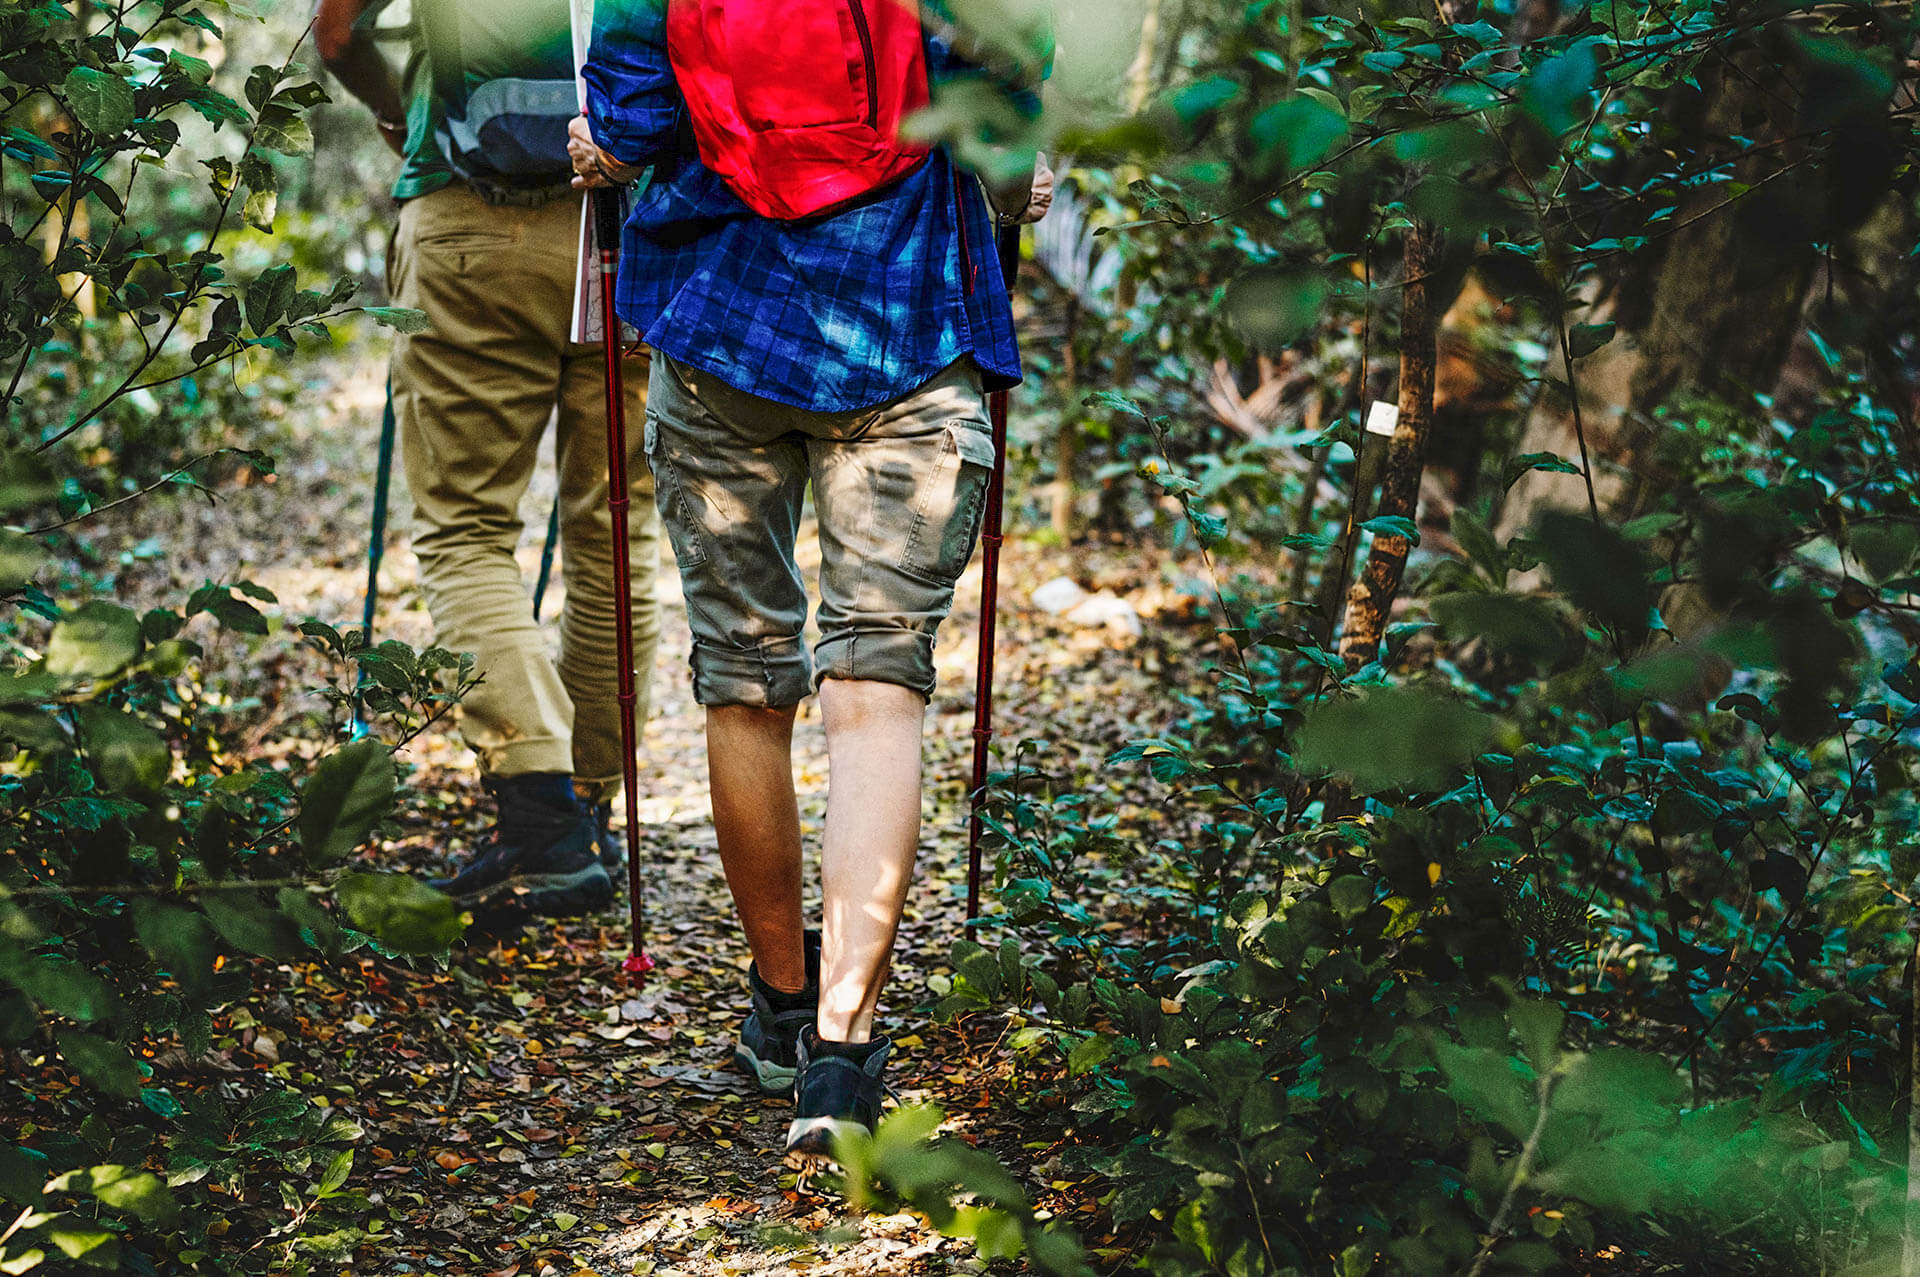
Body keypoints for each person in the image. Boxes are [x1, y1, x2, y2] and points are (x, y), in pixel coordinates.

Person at [572, 0, 1048, 1157]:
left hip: (722, 329)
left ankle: (779, 1006)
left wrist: (599, 150)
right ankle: (840, 1056)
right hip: (910, 328)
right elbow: (1006, 131)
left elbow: (625, 128)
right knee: (875, 691)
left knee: (744, 680)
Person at [316, 0, 662, 916]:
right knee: (616, 527)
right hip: (631, 225)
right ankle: (586, 810)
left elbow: (338, 30)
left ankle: (543, 821)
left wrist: (399, 114)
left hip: (470, 218)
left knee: (465, 530)